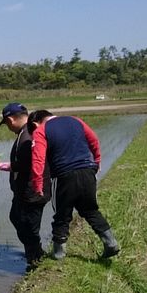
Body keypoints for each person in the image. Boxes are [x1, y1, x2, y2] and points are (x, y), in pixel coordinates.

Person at [30, 111, 120, 260]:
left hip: (64, 175)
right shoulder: (75, 120)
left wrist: (38, 184)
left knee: (62, 215)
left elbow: (38, 160)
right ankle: (111, 243)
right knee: (91, 210)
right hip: (87, 170)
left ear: (35, 123)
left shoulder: (40, 130)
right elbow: (94, 140)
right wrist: (96, 162)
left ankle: (58, 254)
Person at [0, 103, 52, 271]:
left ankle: (35, 260)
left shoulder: (28, 135)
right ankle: (34, 254)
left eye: (6, 123)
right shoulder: (25, 133)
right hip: (25, 191)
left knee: (29, 226)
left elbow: (24, 165)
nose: (7, 127)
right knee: (17, 218)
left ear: (10, 119)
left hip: (32, 192)